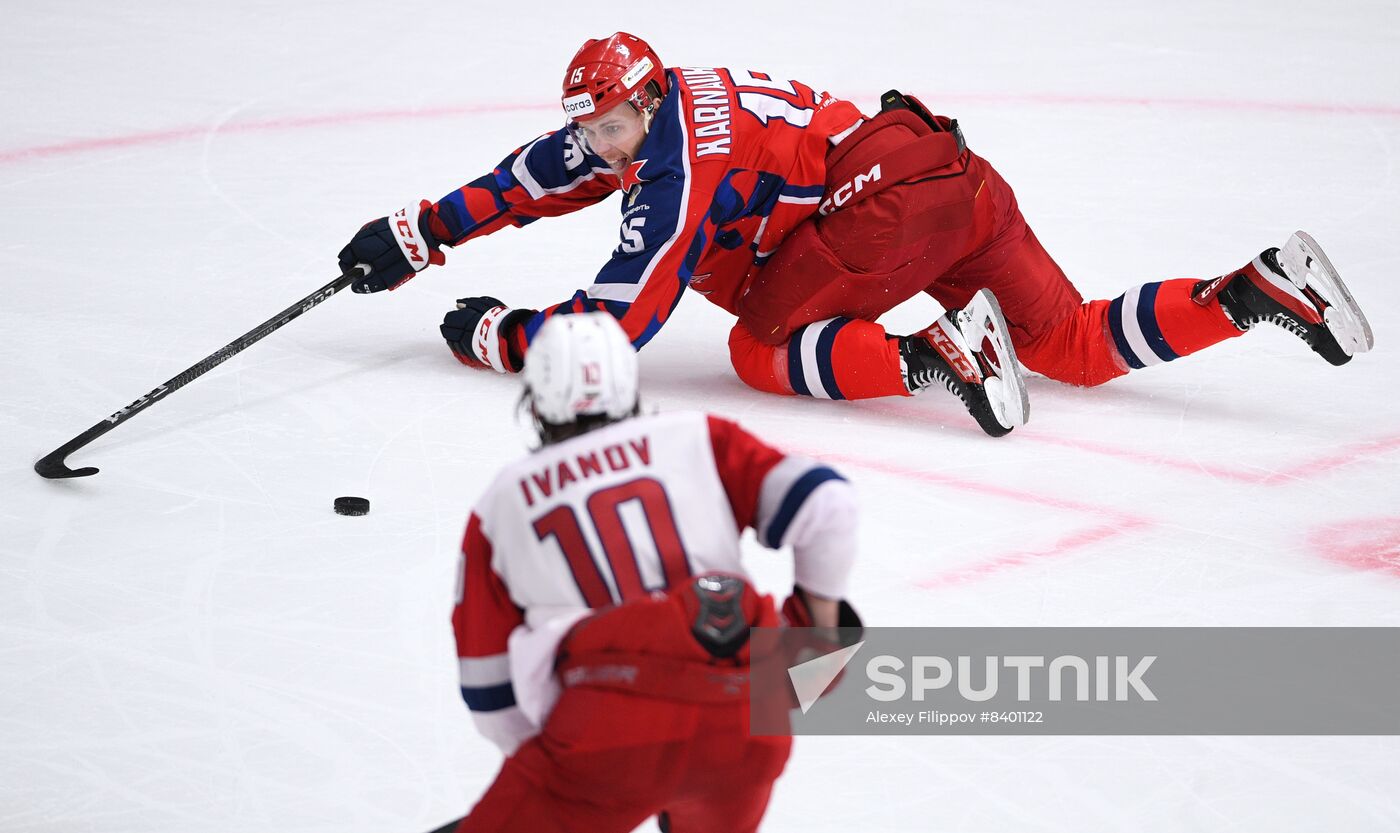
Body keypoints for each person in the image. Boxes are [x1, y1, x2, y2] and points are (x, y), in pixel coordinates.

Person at [339, 33, 1372, 440]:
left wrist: (496, 336)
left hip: (880, 207)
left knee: (755, 347)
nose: (595, 148)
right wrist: (422, 231)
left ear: (644, 102)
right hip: (952, 178)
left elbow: (621, 322)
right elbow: (541, 175)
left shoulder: (674, 168)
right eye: (589, 129)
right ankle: (1254, 289)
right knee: (1070, 344)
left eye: (608, 127)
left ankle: (937, 353)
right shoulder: (657, 116)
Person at [439, 312, 860, 832]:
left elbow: (490, 694)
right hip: (746, 720)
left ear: (536, 399)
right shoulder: (697, 438)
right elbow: (830, 504)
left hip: (602, 727)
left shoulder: (501, 504)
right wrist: (817, 637)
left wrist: (573, 769)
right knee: (833, 634)